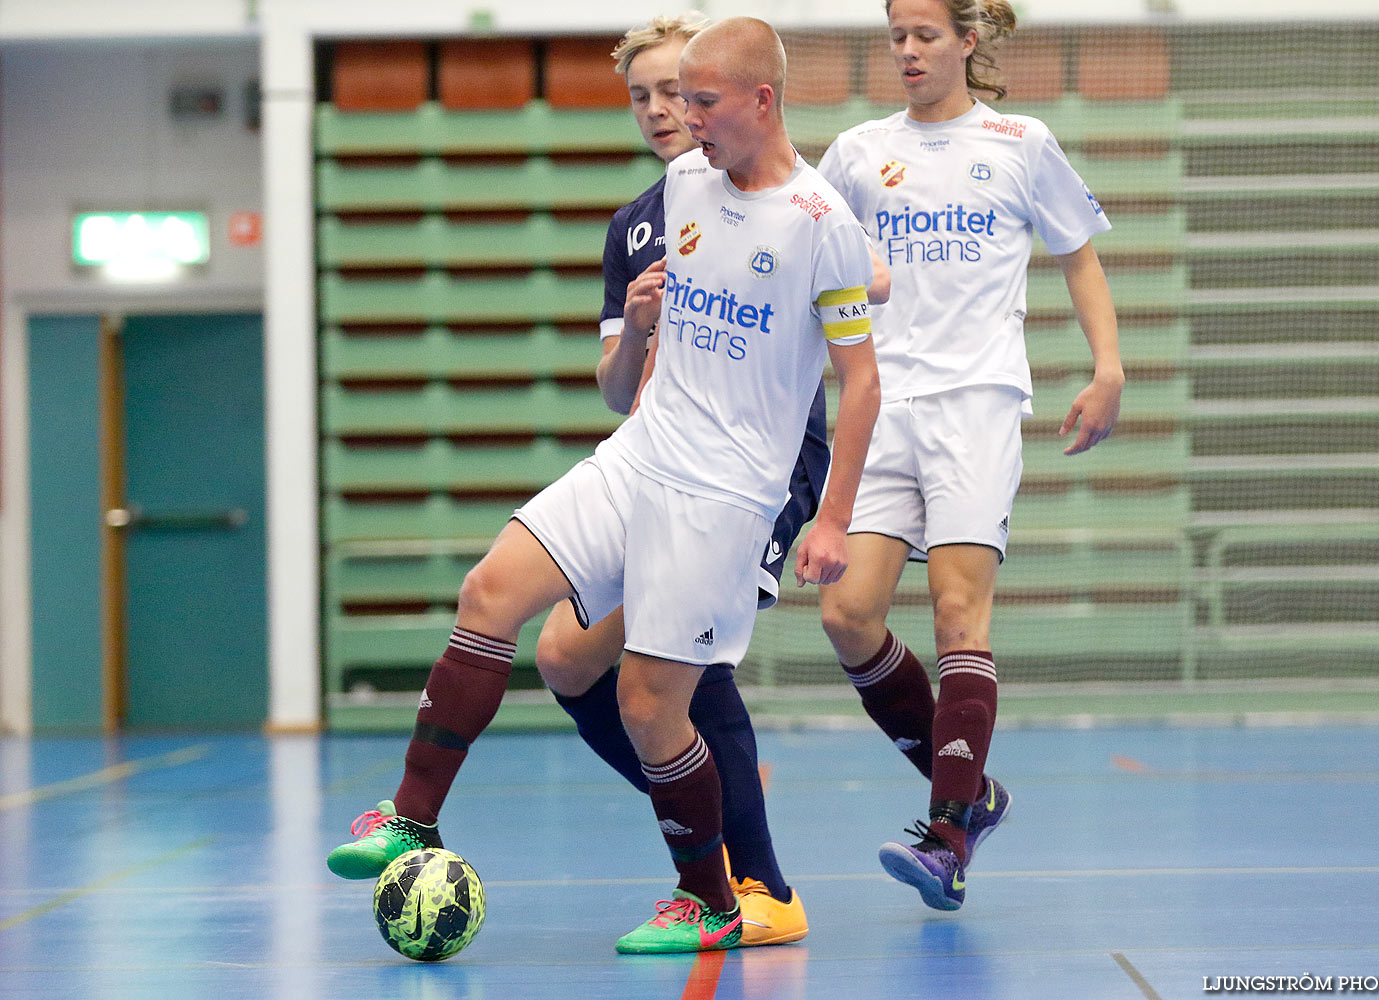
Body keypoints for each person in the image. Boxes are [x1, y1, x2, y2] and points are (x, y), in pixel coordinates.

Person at [327, 15, 883, 955]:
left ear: (763, 98)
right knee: (489, 593)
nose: (682, 119)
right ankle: (411, 819)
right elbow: (640, 372)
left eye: (701, 101)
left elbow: (862, 382)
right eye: (668, 99)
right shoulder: (682, 185)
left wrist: (832, 521)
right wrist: (636, 327)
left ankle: (714, 897)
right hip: (641, 454)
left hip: (726, 494)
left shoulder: (824, 227)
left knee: (649, 704)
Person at [533, 11, 884, 948]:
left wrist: (850, 281)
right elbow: (618, 390)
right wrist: (641, 328)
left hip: (761, 473)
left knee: (678, 666)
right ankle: (703, 833)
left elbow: (843, 273)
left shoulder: (776, 193)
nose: (662, 110)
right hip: (659, 465)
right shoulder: (642, 221)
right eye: (643, 95)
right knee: (567, 660)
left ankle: (753, 879)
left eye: (677, 91)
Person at [815, 0, 1123, 912]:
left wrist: (1108, 368)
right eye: (897, 36)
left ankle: (948, 833)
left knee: (957, 609)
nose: (908, 51)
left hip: (977, 402)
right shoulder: (858, 152)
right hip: (879, 407)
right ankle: (972, 791)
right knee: (847, 615)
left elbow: (1079, 258)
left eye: (925, 35)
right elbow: (807, 253)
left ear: (967, 39)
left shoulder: (1022, 142)